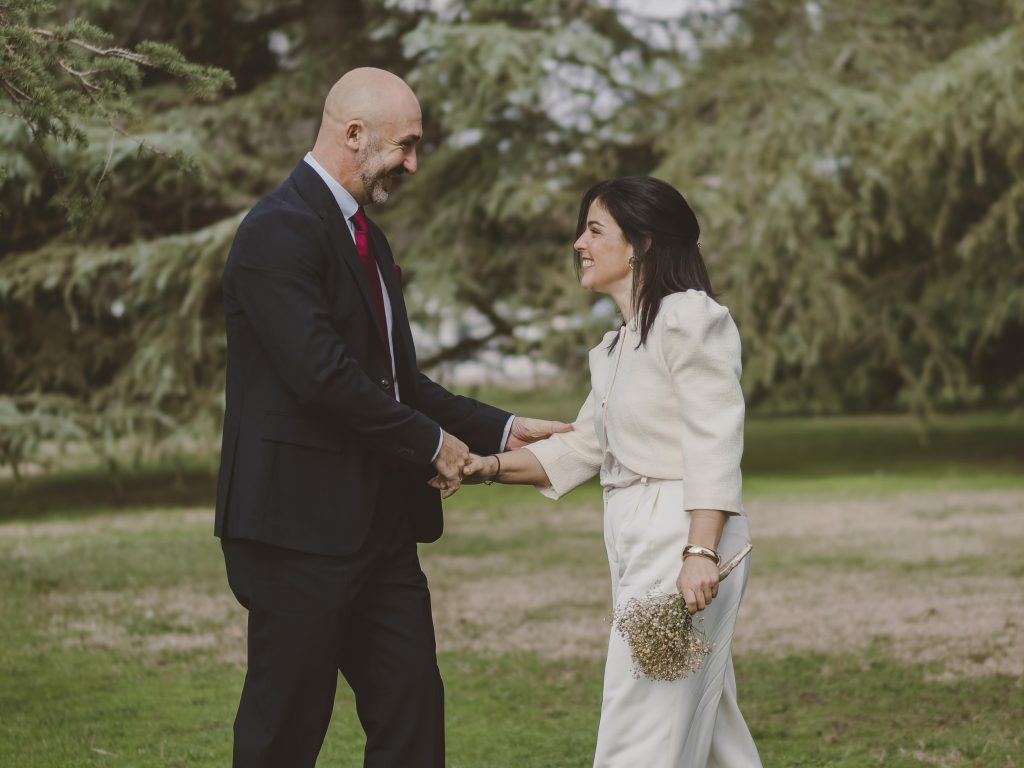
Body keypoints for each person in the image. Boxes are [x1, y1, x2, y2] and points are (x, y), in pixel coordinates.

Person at [214, 67, 568, 768]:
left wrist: (503, 428)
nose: (412, 163)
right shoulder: (276, 232)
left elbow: (397, 383)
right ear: (352, 135)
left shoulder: (370, 241)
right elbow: (321, 376)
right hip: (295, 537)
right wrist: (428, 443)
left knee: (413, 718)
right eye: (404, 146)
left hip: (380, 534)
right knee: (283, 734)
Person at [461, 177, 762, 767]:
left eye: (595, 230)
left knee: (640, 722)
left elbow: (715, 436)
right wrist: (483, 467)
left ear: (642, 245)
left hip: (680, 536)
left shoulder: (687, 318)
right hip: (636, 536)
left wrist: (699, 553)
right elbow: (584, 447)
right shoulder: (617, 347)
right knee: (710, 725)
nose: (579, 243)